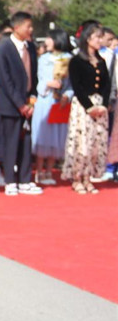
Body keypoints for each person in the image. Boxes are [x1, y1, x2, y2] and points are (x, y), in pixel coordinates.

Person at [0, 12, 44, 196]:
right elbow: (4, 79)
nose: (30, 30)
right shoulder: (4, 47)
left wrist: (31, 100)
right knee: (11, 141)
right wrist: (19, 104)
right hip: (9, 104)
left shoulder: (30, 46)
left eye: (31, 26)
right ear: (17, 27)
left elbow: (34, 75)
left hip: (27, 103)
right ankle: (10, 180)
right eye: (27, 26)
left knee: (26, 141)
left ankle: (25, 179)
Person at [63, 22, 112, 193]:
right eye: (97, 37)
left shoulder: (101, 60)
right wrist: (90, 107)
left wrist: (104, 104)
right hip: (83, 106)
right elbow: (77, 86)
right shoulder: (76, 61)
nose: (100, 40)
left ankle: (88, 177)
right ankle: (77, 177)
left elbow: (107, 85)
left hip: (99, 105)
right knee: (82, 143)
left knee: (95, 144)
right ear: (88, 38)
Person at [31, 29, 73, 185]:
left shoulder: (69, 59)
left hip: (60, 102)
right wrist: (48, 84)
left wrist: (67, 95)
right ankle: (39, 171)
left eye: (49, 38)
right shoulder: (43, 59)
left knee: (57, 136)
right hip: (45, 99)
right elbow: (39, 80)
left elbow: (71, 84)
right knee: (43, 135)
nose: (46, 42)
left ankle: (49, 171)